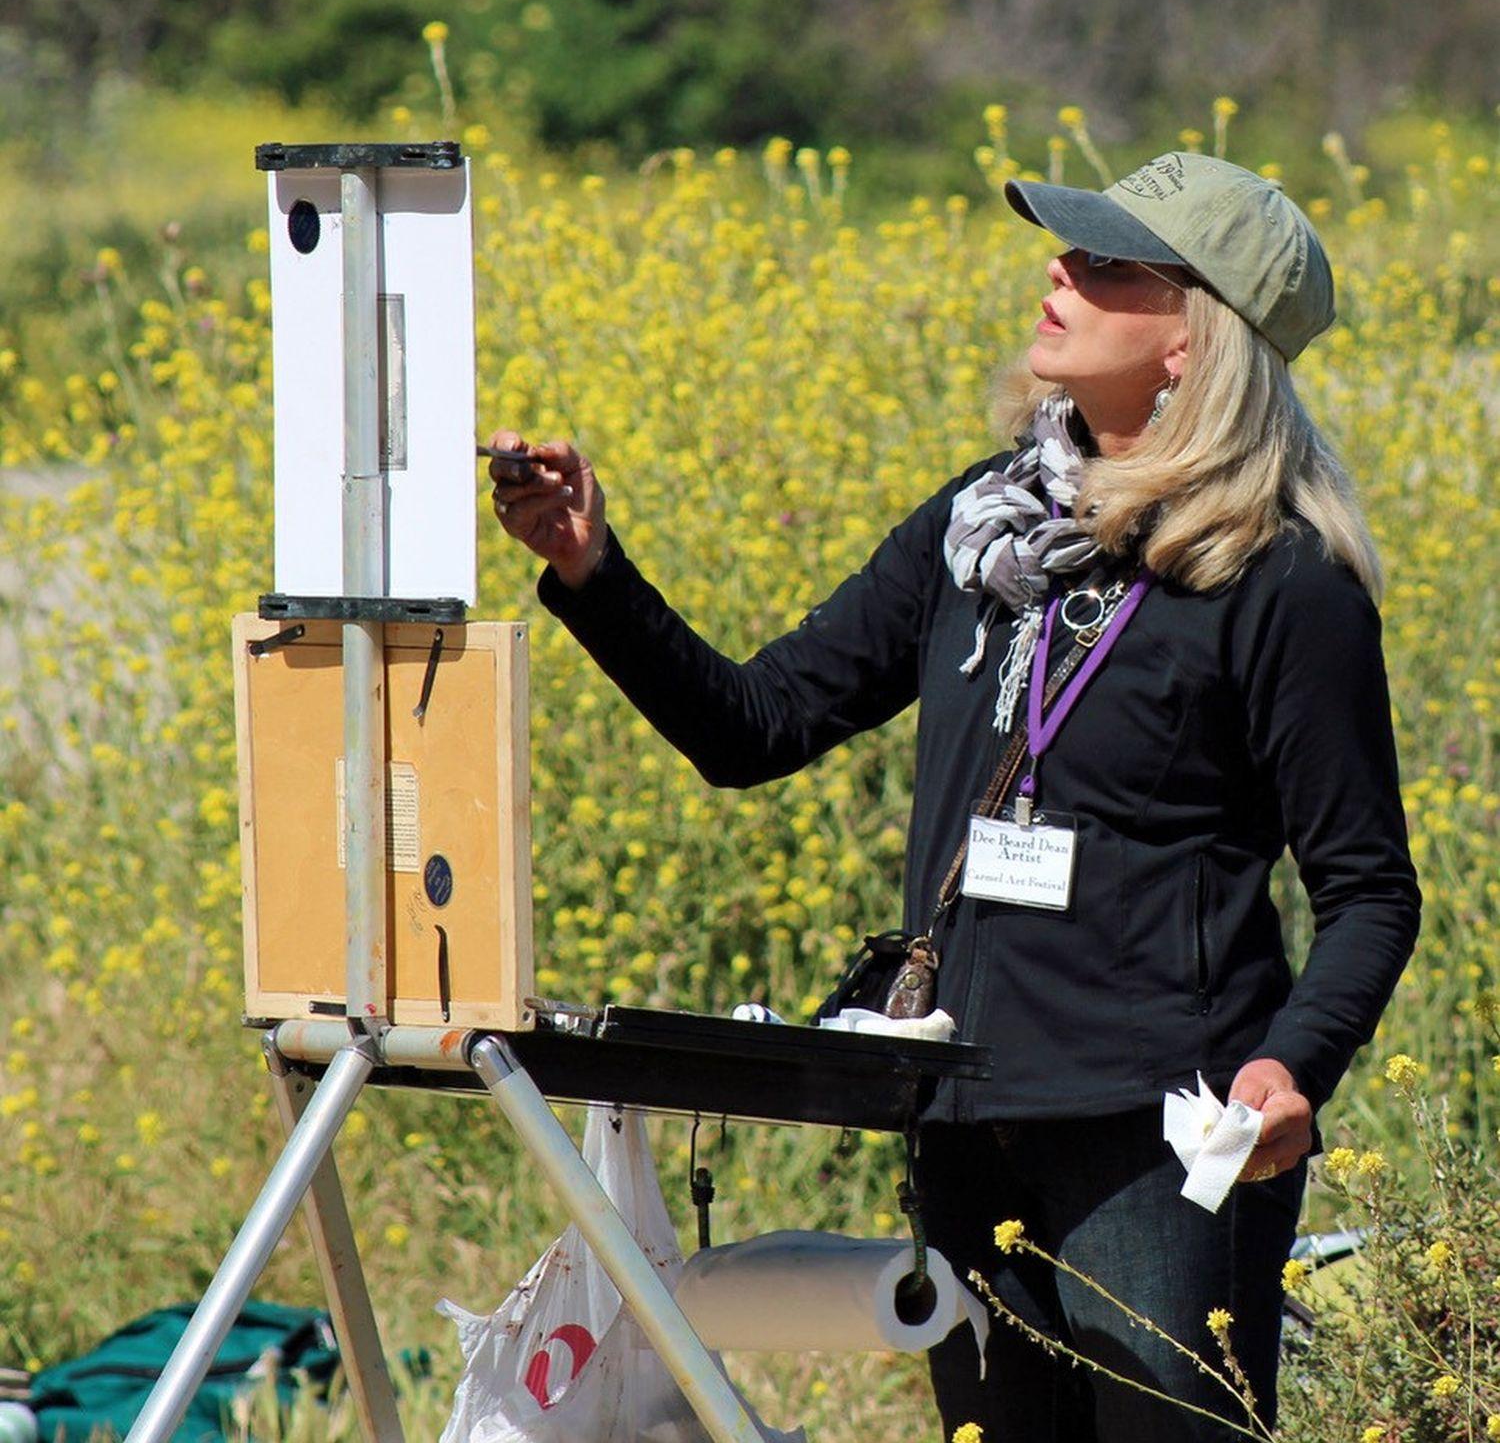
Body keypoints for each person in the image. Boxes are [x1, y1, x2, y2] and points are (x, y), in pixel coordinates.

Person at [484, 152, 1421, 1442]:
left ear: (1194, 343)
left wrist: (1291, 1067)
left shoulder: (1283, 583)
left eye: (1105, 263)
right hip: (962, 1114)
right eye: (1067, 249)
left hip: (1159, 1143)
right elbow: (756, 727)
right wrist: (591, 569)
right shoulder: (980, 527)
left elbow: (1370, 893)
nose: (1058, 270)